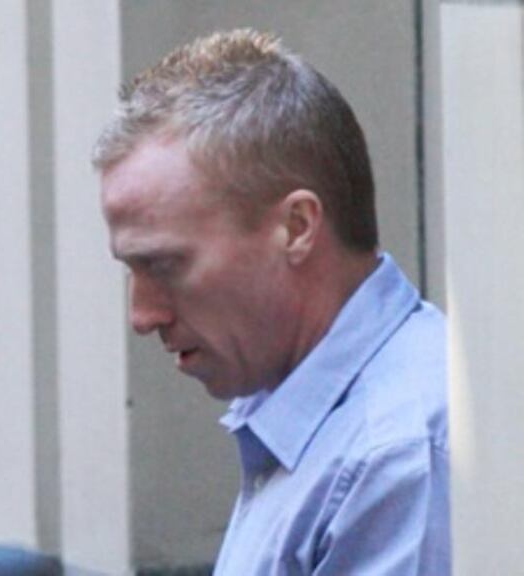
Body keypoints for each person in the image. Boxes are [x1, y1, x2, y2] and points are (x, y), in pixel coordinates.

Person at [93, 29, 449, 575]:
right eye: (131, 267)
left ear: (296, 227)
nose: (142, 316)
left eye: (164, 265)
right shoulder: (309, 413)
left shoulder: (397, 453)